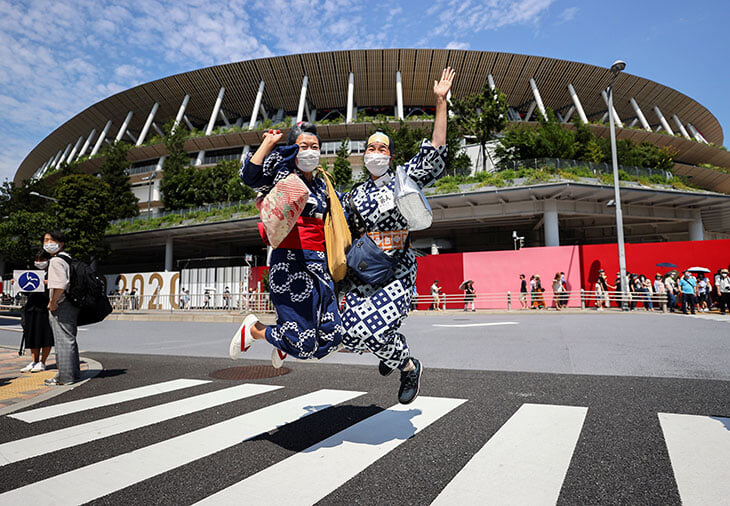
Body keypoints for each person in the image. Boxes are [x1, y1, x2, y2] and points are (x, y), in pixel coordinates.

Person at [339, 67, 453, 405]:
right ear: (365, 153)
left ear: (390, 155)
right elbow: (340, 233)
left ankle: (406, 366)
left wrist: (440, 102)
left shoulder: (403, 179)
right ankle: (390, 352)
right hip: (364, 272)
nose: (376, 152)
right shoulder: (353, 195)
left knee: (374, 331)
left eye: (383, 148)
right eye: (371, 147)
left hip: (397, 270)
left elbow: (435, 151)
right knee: (350, 335)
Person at [230, 122, 344, 367]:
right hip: (289, 262)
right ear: (294, 148)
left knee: (333, 336)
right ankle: (256, 330)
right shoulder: (281, 174)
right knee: (303, 346)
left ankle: (282, 339)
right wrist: (268, 144)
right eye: (304, 146)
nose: (310, 151)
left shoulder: (324, 184)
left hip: (319, 263)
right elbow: (248, 176)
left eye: (315, 146)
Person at [44, 230, 81, 386]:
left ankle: (65, 377)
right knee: (70, 339)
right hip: (72, 303)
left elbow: (60, 285)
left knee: (63, 341)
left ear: (60, 243)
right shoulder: (68, 259)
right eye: (45, 240)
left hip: (62, 303)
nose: (46, 243)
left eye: (50, 240)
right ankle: (74, 372)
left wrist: (53, 302)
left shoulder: (56, 261)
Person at [19, 251, 54, 373]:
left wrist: (48, 284)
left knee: (45, 335)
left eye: (42, 259)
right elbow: (27, 291)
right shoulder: (33, 274)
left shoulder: (52, 273)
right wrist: (18, 284)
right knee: (31, 335)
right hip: (31, 308)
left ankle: (43, 362)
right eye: (37, 260)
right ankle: (34, 360)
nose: (39, 262)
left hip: (44, 308)